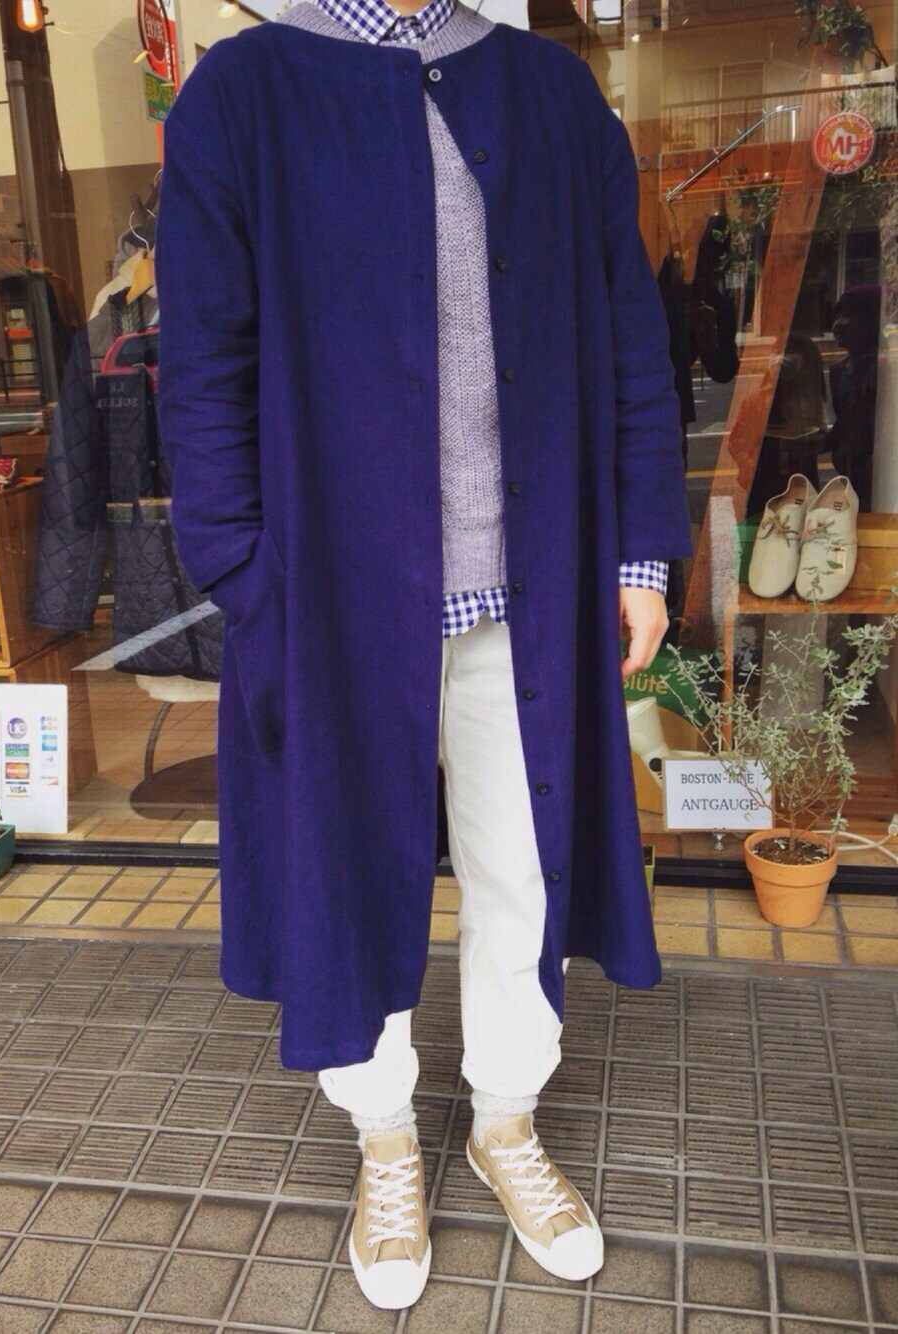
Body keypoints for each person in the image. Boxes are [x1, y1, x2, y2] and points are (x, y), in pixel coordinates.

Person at [154, 0, 693, 1311]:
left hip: (534, 588)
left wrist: (639, 554)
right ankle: (384, 1138)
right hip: (333, 600)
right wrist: (247, 575)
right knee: (355, 862)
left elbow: (633, 343)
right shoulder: (245, 95)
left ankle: (506, 1119)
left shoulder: (553, 97)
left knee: (523, 867)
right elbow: (203, 363)